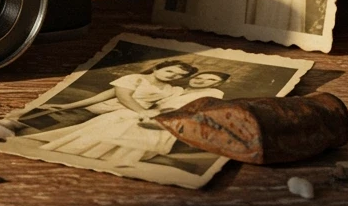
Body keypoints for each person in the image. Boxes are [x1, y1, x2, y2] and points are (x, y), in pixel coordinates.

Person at [22, 60, 230, 167]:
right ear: (158, 67)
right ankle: (80, 147)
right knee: (115, 116)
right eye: (170, 71)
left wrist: (151, 113)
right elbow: (115, 95)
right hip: (126, 108)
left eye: (178, 75)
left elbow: (176, 105)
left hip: (142, 113)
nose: (174, 76)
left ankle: (115, 153)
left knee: (121, 119)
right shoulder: (136, 78)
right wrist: (69, 106)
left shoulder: (176, 90)